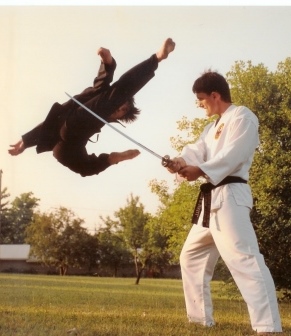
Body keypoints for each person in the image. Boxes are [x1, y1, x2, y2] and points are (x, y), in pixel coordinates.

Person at [165, 71, 282, 335]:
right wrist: (180, 162)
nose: (199, 104)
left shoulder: (243, 117)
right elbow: (195, 151)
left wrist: (200, 170)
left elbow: (233, 155)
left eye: (201, 99)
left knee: (245, 260)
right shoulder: (212, 128)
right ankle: (199, 320)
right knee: (191, 256)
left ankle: (268, 326)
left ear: (215, 95)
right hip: (210, 201)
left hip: (230, 195)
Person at [9, 38, 175, 177]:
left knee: (83, 167)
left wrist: (110, 160)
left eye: (123, 110)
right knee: (113, 94)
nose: (119, 109)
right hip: (72, 120)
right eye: (121, 105)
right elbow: (101, 86)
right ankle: (157, 58)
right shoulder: (99, 98)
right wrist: (26, 140)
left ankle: (110, 159)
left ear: (119, 119)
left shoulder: (103, 114)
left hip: (66, 148)